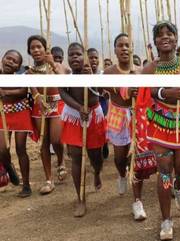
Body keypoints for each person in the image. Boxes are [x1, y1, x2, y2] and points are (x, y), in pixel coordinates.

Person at [142, 21, 180, 240]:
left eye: (170, 33)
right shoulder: (151, 68)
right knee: (164, 168)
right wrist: (165, 93)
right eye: (160, 34)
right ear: (155, 41)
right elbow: (145, 92)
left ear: (176, 39)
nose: (165, 37)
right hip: (161, 123)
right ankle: (166, 220)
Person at [103, 33, 150, 221]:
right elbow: (109, 91)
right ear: (114, 50)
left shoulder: (140, 71)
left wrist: (139, 91)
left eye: (127, 45)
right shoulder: (108, 72)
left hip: (137, 116)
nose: (124, 48)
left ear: (132, 49)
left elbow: (147, 94)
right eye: (120, 45)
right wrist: (125, 90)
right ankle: (122, 175)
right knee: (121, 158)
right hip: (117, 115)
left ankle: (137, 201)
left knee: (136, 160)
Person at [59, 42, 107, 217]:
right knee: (76, 157)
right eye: (71, 55)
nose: (74, 57)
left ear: (84, 57)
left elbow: (101, 92)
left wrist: (92, 76)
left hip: (94, 116)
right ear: (68, 59)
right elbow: (62, 92)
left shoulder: (94, 74)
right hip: (74, 117)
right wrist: (79, 107)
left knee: (96, 156)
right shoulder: (66, 76)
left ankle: (97, 173)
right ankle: (80, 198)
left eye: (78, 54)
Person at [26, 35, 66, 195]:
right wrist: (37, 99)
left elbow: (64, 81)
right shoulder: (29, 72)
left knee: (56, 139)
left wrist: (51, 64)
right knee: (44, 142)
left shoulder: (54, 65)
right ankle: (49, 179)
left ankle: (61, 161)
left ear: (45, 48)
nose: (36, 50)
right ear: (29, 51)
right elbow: (33, 89)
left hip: (56, 103)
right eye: (32, 48)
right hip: (39, 107)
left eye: (39, 47)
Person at [0, 50, 34, 197]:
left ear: (18, 66)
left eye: (14, 61)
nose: (10, 62)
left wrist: (6, 93)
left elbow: (23, 91)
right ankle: (9, 167)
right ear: (2, 59)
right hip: (3, 113)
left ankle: (26, 185)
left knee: (21, 149)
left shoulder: (20, 77)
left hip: (20, 113)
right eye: (8, 58)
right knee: (2, 150)